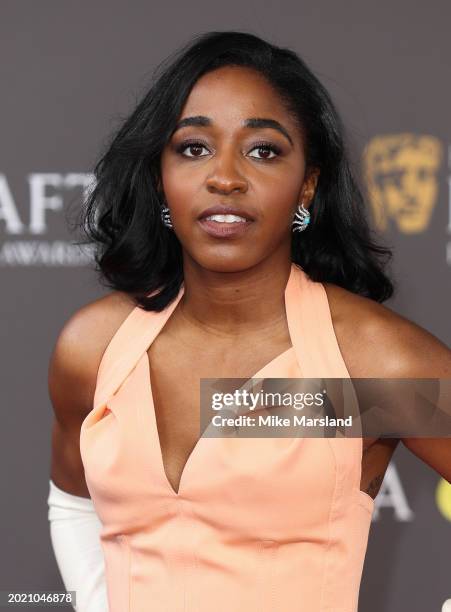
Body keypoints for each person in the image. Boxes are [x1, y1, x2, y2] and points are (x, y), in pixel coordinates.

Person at [47, 30, 451, 612]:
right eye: (193, 148)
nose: (226, 178)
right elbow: (73, 502)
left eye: (263, 150)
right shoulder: (96, 346)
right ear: (160, 176)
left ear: (306, 184)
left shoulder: (364, 364)